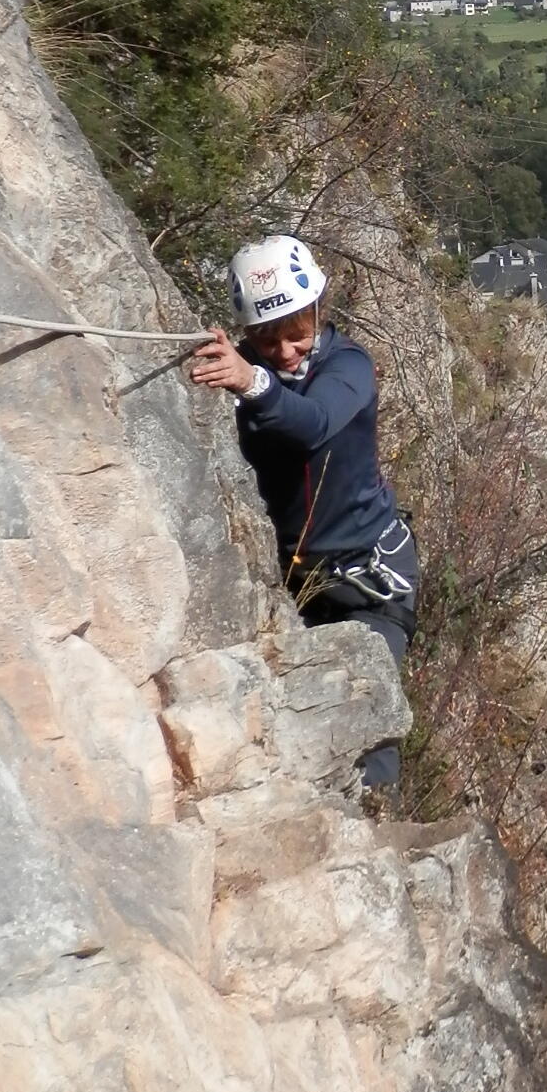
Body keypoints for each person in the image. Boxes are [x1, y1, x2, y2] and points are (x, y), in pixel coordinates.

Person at [187, 235, 417, 795]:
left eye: (297, 334)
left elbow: (314, 423)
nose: (286, 351)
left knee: (367, 723)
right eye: (268, 340)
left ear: (318, 311)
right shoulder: (254, 371)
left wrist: (251, 380)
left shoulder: (348, 366)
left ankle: (377, 818)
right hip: (296, 580)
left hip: (369, 580)